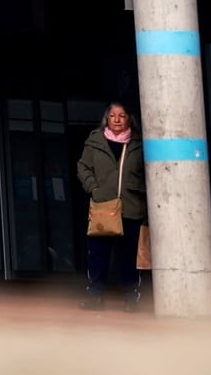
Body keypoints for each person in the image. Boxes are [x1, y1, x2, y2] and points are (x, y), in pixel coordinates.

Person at [74, 102, 146, 308]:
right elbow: (83, 167)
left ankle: (131, 298)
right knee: (98, 253)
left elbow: (148, 173)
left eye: (121, 115)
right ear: (106, 118)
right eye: (112, 115)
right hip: (103, 206)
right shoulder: (95, 141)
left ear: (129, 119)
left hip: (131, 206)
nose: (116, 119)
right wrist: (94, 189)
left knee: (129, 255)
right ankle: (95, 295)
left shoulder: (138, 144)